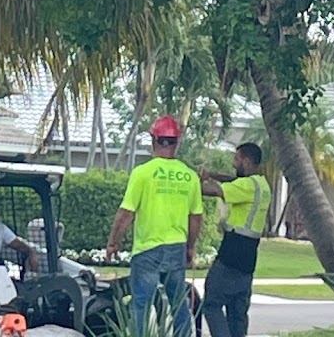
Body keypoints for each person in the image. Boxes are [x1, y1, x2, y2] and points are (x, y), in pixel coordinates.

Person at [105, 116, 203, 337]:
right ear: (177, 142)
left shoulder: (143, 173)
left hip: (147, 250)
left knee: (141, 304)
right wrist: (190, 247)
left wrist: (113, 242)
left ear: (154, 140)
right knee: (178, 304)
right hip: (176, 247)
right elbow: (196, 217)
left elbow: (126, 213)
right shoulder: (190, 176)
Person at [200, 143, 271, 337]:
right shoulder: (262, 185)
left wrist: (194, 182)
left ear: (247, 161)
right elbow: (233, 180)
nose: (233, 163)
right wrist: (213, 174)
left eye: (236, 159)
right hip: (248, 260)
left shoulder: (246, 186)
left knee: (212, 305)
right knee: (237, 314)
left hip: (231, 255)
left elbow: (212, 190)